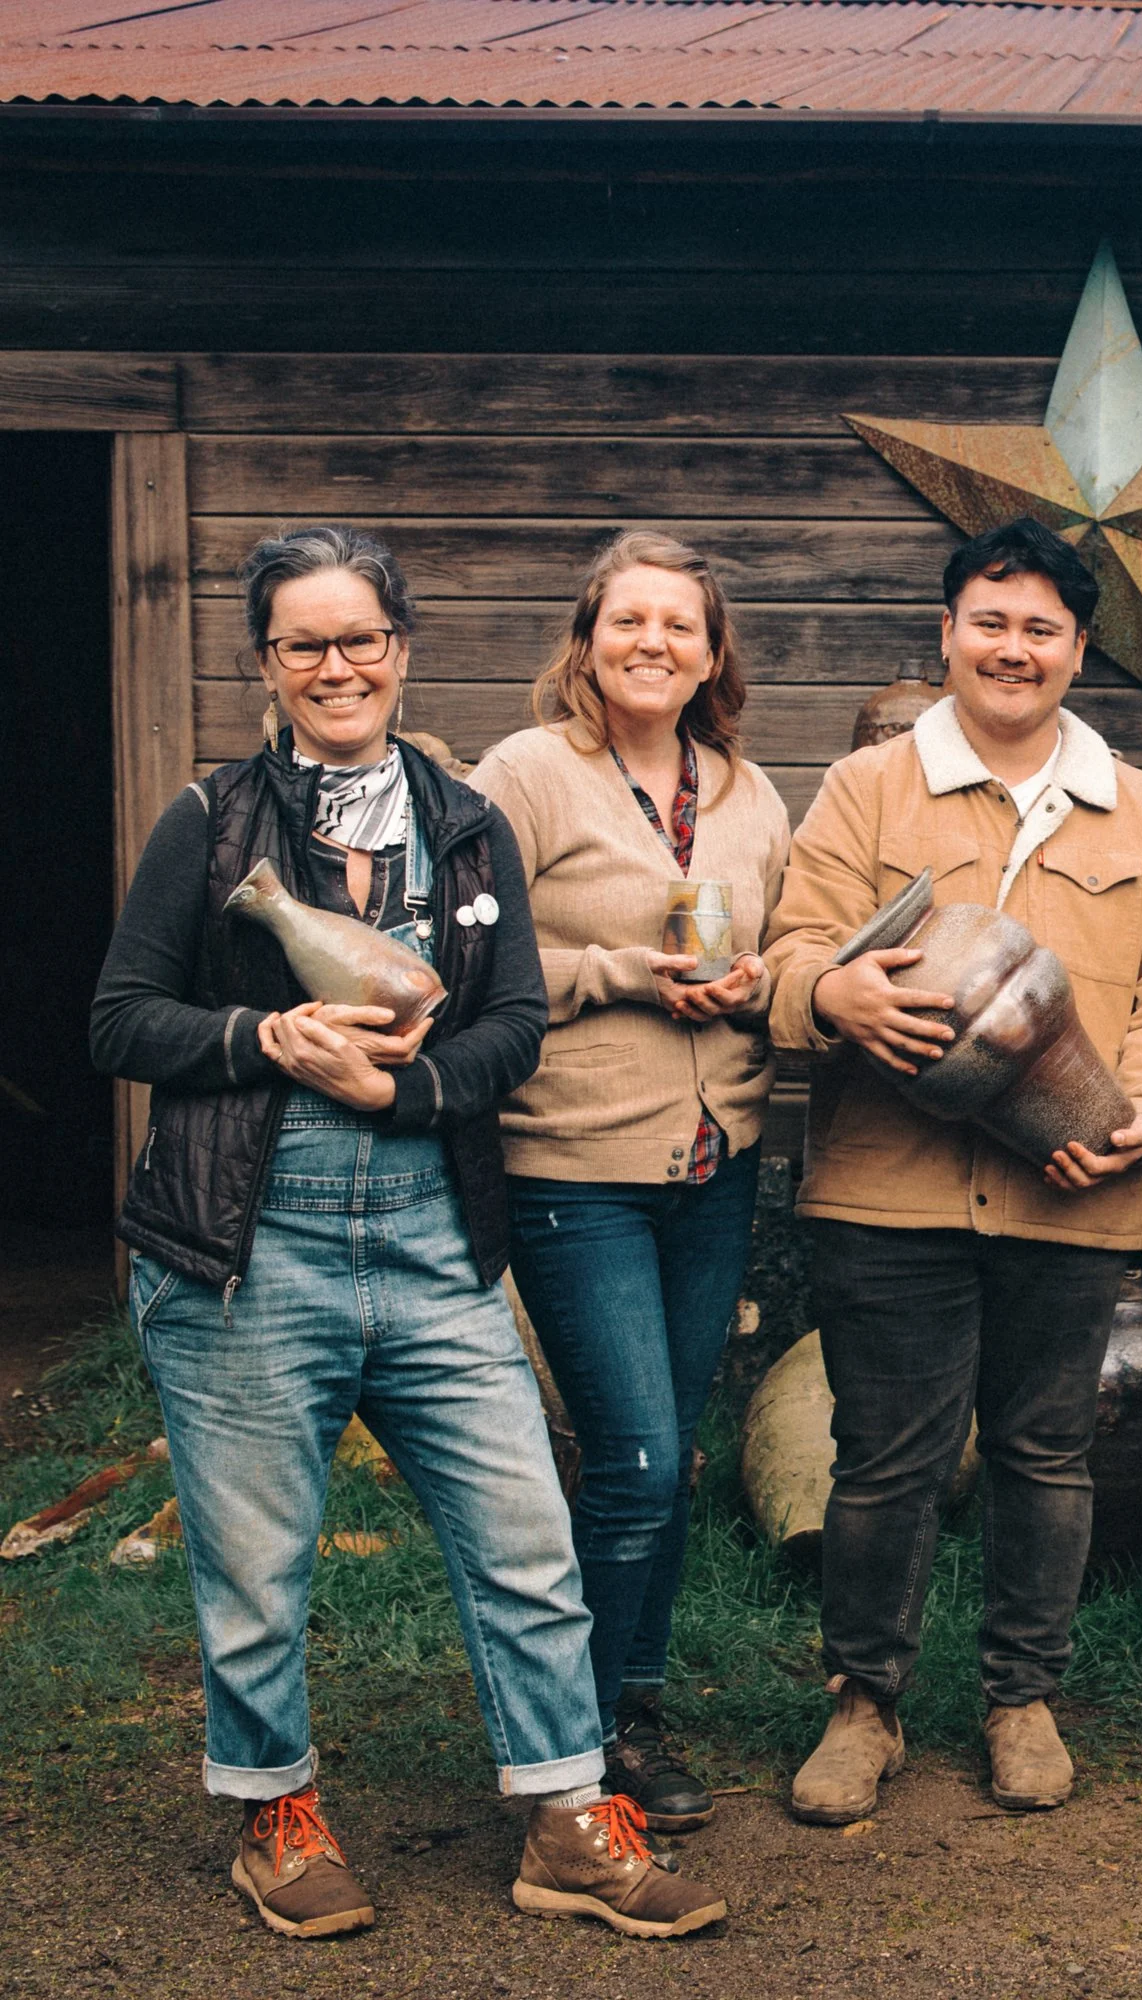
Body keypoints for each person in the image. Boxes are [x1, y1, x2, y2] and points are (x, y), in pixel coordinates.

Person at [90, 525, 725, 1941]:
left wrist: (418, 1084)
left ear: (400, 646)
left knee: (525, 1538)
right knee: (258, 1561)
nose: (336, 666)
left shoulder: (462, 819)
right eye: (304, 643)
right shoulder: (213, 821)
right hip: (251, 1242)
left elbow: (508, 1024)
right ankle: (276, 1815)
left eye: (360, 638)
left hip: (435, 1239)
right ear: (267, 662)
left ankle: (566, 1819)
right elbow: (120, 1020)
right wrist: (269, 1035)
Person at [763, 516, 1142, 1823]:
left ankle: (1022, 1699)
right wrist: (836, 990)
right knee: (885, 1461)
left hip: (1072, 1189)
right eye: (990, 621)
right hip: (887, 1187)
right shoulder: (869, 790)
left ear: (1079, 648)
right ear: (949, 632)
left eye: (1040, 628)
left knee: (1045, 1456)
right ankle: (866, 1702)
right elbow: (790, 952)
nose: (1012, 648)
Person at [469, 532, 791, 1834]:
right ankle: (581, 1737)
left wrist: (760, 980)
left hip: (715, 1169)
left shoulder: (753, 791)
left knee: (670, 1455)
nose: (654, 642)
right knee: (640, 1457)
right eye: (629, 620)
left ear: (714, 653)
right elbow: (464, 956)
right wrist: (617, 974)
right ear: (587, 637)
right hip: (573, 1166)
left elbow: (786, 943)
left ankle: (628, 1710)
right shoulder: (526, 774)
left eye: (681, 624)